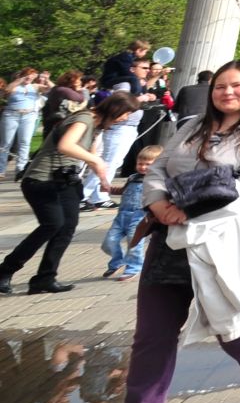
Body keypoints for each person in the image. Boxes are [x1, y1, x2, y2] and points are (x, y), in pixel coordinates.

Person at [86, 60, 240, 403]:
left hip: (231, 233)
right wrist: (159, 202)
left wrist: (197, 205)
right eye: (220, 86)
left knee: (227, 317)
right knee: (152, 333)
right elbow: (159, 166)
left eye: (236, 86)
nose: (226, 93)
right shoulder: (193, 124)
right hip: (172, 231)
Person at [0, 92, 140, 295]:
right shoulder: (84, 118)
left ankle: (45, 278)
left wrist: (102, 176)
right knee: (52, 224)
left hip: (66, 181)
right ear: (115, 108)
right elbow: (66, 145)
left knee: (66, 228)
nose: (125, 118)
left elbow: (91, 155)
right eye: (126, 113)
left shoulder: (98, 126)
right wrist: (97, 162)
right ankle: (5, 270)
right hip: (41, 180)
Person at [84, 58, 154, 208]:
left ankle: (93, 194)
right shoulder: (125, 84)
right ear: (132, 69)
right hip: (120, 127)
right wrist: (142, 98)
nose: (148, 70)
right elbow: (120, 102)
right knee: (109, 161)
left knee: (113, 162)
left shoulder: (136, 84)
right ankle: (92, 195)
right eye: (144, 67)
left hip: (128, 126)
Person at [102, 145, 162, 281]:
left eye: (148, 164)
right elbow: (124, 191)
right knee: (109, 242)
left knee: (134, 243)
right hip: (122, 215)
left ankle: (133, 267)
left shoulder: (155, 181)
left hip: (139, 216)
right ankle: (117, 261)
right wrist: (109, 189)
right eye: (140, 163)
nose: (143, 167)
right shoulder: (132, 177)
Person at [0, 67, 43, 180]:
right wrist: (18, 81)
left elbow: (52, 89)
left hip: (29, 116)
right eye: (25, 75)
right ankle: (1, 170)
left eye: (31, 75)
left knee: (25, 142)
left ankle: (21, 169)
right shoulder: (13, 86)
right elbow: (6, 91)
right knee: (6, 143)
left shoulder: (34, 87)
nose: (28, 77)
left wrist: (46, 79)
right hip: (11, 115)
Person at [40, 71, 85, 138]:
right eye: (79, 79)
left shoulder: (59, 88)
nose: (80, 82)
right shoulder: (63, 90)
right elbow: (80, 99)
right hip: (56, 122)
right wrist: (79, 90)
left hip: (55, 121)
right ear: (72, 80)